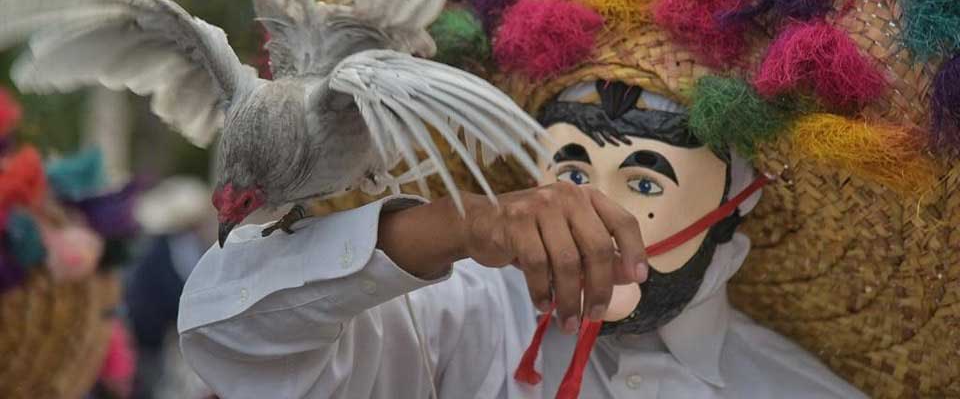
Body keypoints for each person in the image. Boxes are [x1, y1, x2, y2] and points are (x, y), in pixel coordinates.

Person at [177, 80, 864, 398]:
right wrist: (464, 222)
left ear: (734, 215)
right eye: (570, 168)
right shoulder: (459, 320)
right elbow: (232, 334)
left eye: (647, 182)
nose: (589, 207)